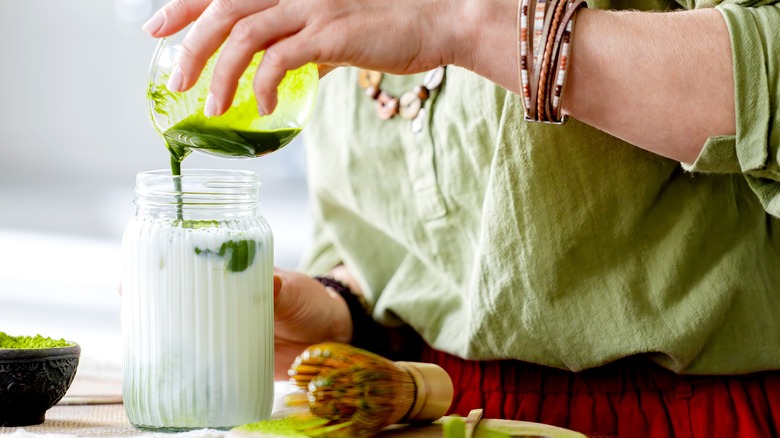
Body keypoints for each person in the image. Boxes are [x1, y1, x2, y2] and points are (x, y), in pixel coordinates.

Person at [143, 0, 780, 435]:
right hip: (422, 408)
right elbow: (419, 240)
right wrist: (341, 308)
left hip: (684, 416)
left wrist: (459, 22)